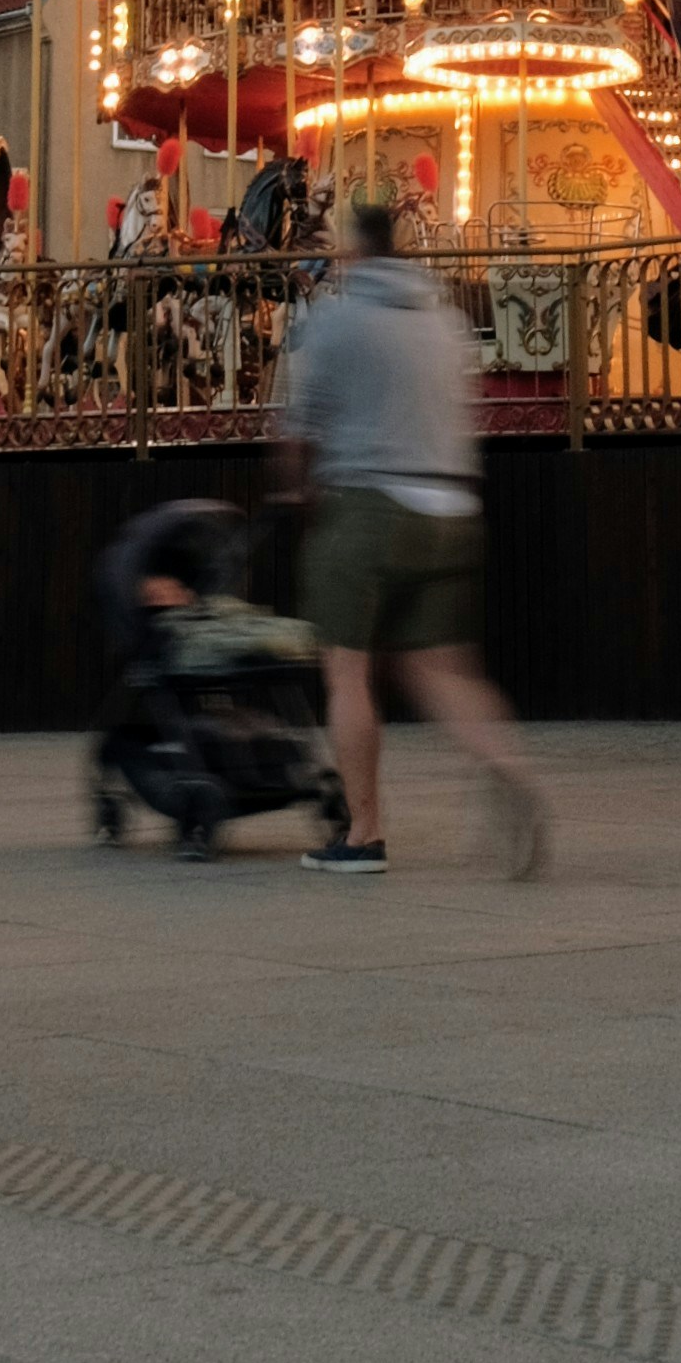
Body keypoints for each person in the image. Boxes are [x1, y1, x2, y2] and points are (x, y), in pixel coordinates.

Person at [269, 195, 544, 879]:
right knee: (439, 668)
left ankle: (363, 833)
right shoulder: (445, 322)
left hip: (369, 502)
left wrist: (295, 490)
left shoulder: (337, 321)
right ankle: (507, 765)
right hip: (450, 506)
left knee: (348, 668)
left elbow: (299, 430)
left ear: (352, 253)